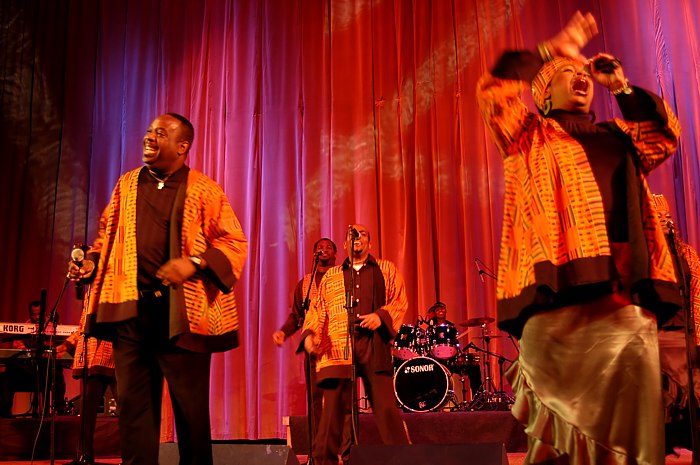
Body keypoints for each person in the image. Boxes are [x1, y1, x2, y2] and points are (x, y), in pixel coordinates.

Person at [477, 11, 682, 465]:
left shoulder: (620, 136)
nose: (581, 76)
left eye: (583, 72)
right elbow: (492, 91)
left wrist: (621, 88)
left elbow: (665, 136)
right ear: (543, 92)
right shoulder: (526, 134)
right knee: (556, 437)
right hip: (556, 300)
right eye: (567, 73)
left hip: (620, 297)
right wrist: (554, 48)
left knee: (631, 426)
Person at [67, 113, 248, 465]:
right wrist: (91, 262)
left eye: (160, 133)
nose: (150, 137)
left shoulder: (204, 189)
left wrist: (193, 263)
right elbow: (107, 236)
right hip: (132, 313)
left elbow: (233, 241)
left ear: (182, 147)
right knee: (134, 412)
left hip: (182, 316)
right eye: (149, 131)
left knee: (190, 413)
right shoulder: (127, 184)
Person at [302, 224, 410, 465]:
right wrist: (310, 334)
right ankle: (328, 461)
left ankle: (404, 460)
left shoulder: (386, 269)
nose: (357, 237)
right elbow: (318, 309)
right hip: (339, 345)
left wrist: (380, 316)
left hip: (374, 344)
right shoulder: (331, 276)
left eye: (362, 234)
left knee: (386, 409)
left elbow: (399, 300)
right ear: (345, 245)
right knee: (333, 412)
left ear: (369, 243)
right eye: (352, 235)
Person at [272, 237, 337, 454]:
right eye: (320, 247)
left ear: (336, 254)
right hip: (313, 348)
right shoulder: (306, 283)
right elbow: (297, 315)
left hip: (337, 346)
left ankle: (341, 449)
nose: (324, 250)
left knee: (338, 399)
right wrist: (283, 331)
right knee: (315, 400)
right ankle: (317, 451)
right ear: (314, 254)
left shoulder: (342, 278)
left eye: (328, 247)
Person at [652, 194, 700, 454]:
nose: (664, 221)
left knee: (693, 390)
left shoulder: (686, 254)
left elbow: (698, 292)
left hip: (685, 332)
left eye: (667, 216)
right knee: (662, 395)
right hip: (657, 334)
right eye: (658, 216)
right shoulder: (645, 256)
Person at [56, 287, 118, 465]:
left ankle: (132, 456)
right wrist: (66, 345)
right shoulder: (89, 292)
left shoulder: (111, 288)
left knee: (128, 409)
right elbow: (83, 327)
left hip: (113, 353)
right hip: (93, 357)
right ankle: (84, 455)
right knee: (86, 410)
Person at [0, 300, 66, 417]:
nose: (37, 317)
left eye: (39, 314)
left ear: (44, 313)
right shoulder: (24, 327)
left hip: (47, 369)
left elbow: (61, 345)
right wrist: (27, 350)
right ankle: (4, 413)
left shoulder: (55, 326)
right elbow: (17, 346)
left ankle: (59, 410)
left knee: (57, 369)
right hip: (30, 369)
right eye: (33, 314)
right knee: (10, 370)